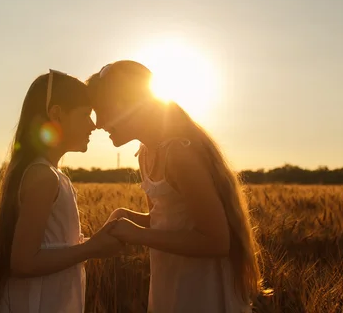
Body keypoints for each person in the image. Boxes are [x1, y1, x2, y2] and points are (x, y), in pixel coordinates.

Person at [86, 60, 261, 313]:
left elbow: (216, 241)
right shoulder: (147, 154)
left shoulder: (179, 155)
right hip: (171, 278)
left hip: (200, 288)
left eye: (100, 110)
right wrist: (128, 218)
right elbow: (168, 222)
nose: (98, 123)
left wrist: (136, 234)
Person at [0, 70, 123, 313]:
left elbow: (52, 246)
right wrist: (92, 249)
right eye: (86, 114)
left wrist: (95, 242)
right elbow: (23, 262)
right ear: (56, 114)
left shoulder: (49, 174)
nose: (94, 124)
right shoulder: (43, 176)